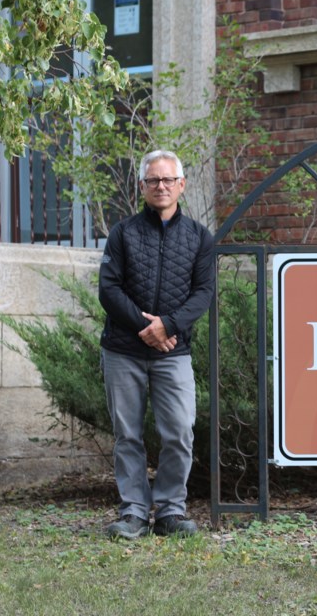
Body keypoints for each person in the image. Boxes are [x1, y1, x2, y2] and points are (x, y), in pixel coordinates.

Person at [98, 150, 214, 539]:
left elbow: (204, 292)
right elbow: (108, 289)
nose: (160, 186)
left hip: (173, 353)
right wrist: (145, 328)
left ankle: (169, 512)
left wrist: (168, 325)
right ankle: (132, 512)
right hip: (123, 351)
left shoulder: (199, 237)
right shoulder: (123, 233)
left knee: (180, 431)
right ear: (142, 187)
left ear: (181, 185)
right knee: (127, 435)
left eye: (168, 180)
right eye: (153, 181)